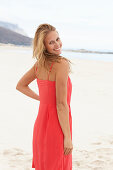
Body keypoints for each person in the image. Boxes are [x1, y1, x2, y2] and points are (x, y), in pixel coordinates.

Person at [16, 23, 73, 170]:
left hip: (41, 125)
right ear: (44, 46)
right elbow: (61, 104)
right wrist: (67, 137)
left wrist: (43, 99)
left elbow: (21, 85)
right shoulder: (62, 64)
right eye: (51, 42)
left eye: (57, 39)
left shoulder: (39, 65)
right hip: (57, 126)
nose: (57, 44)